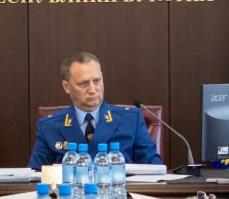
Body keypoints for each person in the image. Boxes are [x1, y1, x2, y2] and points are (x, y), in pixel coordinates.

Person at [28, 51, 162, 168]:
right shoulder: (49, 128)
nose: (92, 90)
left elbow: (155, 170)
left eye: (97, 81)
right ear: (66, 87)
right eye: (83, 84)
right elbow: (35, 177)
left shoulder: (131, 120)